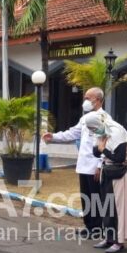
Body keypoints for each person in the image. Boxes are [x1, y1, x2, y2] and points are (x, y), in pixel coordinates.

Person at [42, 87, 109, 238]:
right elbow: (72, 133)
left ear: (98, 100)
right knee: (86, 197)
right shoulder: (85, 118)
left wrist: (100, 165)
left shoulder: (104, 118)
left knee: (95, 198)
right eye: (85, 98)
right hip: (83, 164)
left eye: (88, 98)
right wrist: (53, 136)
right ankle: (89, 226)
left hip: (95, 165)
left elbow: (105, 143)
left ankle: (98, 228)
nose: (85, 101)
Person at [87, 112, 127, 253]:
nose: (94, 132)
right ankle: (109, 238)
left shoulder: (116, 131)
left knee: (118, 207)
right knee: (106, 205)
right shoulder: (101, 130)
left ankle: (119, 241)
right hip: (108, 170)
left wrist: (103, 149)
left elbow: (119, 157)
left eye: (93, 129)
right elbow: (95, 152)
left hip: (121, 172)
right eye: (91, 130)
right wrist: (100, 149)